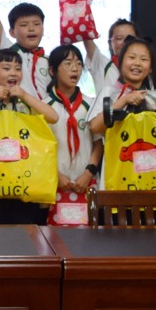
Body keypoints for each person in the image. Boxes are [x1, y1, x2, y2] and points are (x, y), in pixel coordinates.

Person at [0, 49, 58, 224]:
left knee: (24, 230)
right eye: (6, 68)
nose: (13, 73)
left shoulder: (25, 103)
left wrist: (25, 95)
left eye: (18, 68)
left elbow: (53, 117)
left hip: (23, 182)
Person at [45, 44, 102, 225]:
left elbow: (98, 143)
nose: (75, 68)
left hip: (86, 183)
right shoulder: (44, 107)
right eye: (68, 63)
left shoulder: (91, 104)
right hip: (54, 183)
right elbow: (40, 149)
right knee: (54, 237)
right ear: (52, 71)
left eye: (78, 63)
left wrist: (88, 173)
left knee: (88, 237)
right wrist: (55, 175)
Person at [86, 36, 156, 135]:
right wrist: (124, 100)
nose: (137, 63)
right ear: (120, 62)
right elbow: (94, 127)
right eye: (132, 57)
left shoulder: (155, 97)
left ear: (150, 68)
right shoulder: (108, 92)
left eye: (144, 59)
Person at [82, 18, 137, 94]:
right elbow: (84, 33)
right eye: (119, 38)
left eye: (130, 38)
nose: (125, 42)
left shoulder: (143, 68)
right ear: (110, 44)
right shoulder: (102, 65)